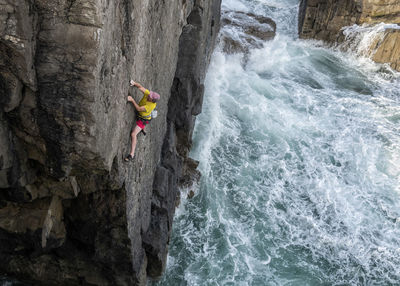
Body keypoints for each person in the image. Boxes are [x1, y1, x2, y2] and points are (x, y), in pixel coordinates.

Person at [125, 80, 160, 161]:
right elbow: (140, 87)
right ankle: (142, 129)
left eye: (150, 96)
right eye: (150, 95)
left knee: (133, 134)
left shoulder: (149, 106)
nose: (148, 95)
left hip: (143, 120)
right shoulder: (148, 94)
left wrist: (132, 100)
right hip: (141, 115)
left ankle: (132, 154)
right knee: (136, 129)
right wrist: (134, 83)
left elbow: (138, 108)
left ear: (152, 100)